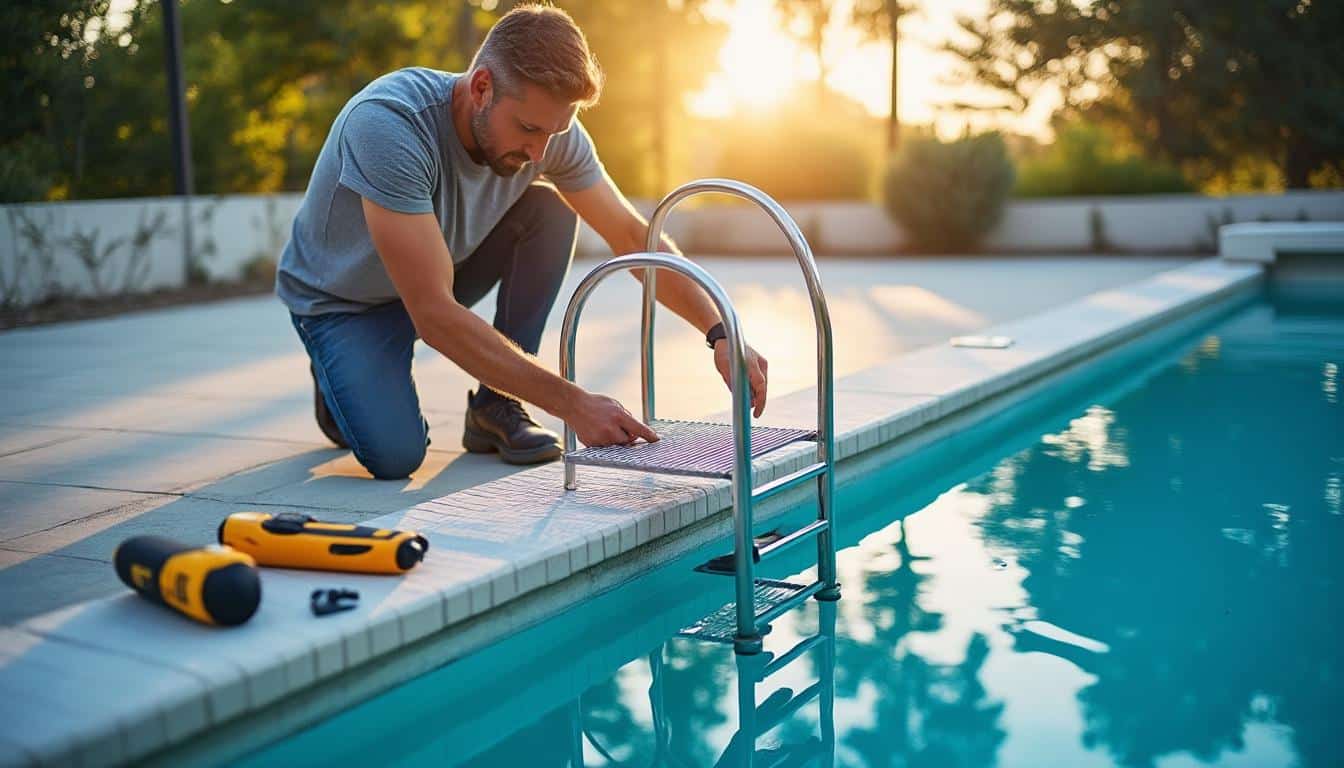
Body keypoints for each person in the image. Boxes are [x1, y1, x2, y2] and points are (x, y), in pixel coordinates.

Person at [275, 4, 770, 479]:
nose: (539, 152)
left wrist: (721, 329)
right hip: (343, 302)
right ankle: (337, 380)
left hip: (435, 274)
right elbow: (435, 316)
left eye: (554, 132)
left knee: (550, 210)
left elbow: (628, 234)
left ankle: (496, 405)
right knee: (396, 457)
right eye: (529, 128)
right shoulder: (389, 125)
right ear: (482, 87)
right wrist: (572, 403)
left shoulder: (550, 135)